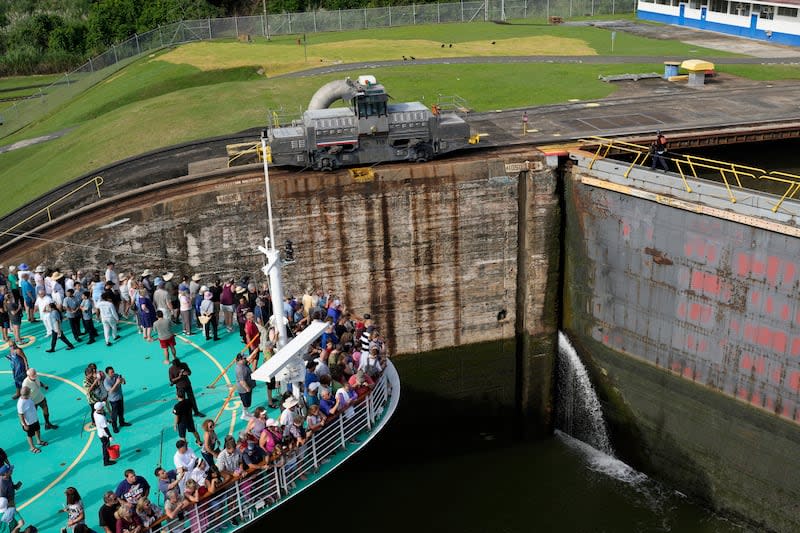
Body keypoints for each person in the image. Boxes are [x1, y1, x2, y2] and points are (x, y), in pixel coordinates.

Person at [17, 387, 46, 453]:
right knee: (30, 435)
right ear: (26, 394)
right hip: (28, 423)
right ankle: (32, 447)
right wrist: (25, 425)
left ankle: (39, 441)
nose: (30, 393)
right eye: (29, 392)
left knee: (37, 430)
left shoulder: (29, 397)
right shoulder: (21, 403)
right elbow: (20, 415)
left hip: (34, 419)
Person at [104, 367, 131, 433]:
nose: (113, 373)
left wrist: (123, 380)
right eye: (111, 372)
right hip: (113, 400)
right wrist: (117, 383)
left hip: (120, 397)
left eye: (113, 371)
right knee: (114, 414)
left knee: (121, 411)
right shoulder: (106, 381)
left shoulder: (116, 376)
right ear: (107, 374)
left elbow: (124, 383)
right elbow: (110, 391)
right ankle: (114, 427)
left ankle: (122, 422)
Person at [93, 401, 115, 466]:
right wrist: (110, 436)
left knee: (105, 447)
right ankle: (106, 461)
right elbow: (105, 428)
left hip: (100, 433)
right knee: (106, 448)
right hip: (104, 435)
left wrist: (107, 421)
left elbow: (102, 423)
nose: (104, 408)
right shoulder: (101, 418)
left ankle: (107, 459)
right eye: (103, 407)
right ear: (100, 409)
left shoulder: (95, 413)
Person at [235, 354, 255, 420]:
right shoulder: (240, 369)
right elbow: (242, 381)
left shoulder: (243, 364)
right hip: (243, 389)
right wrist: (247, 388)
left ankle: (247, 412)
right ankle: (244, 415)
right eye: (244, 358)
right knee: (245, 402)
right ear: (240, 360)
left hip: (247, 386)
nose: (246, 359)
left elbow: (250, 357)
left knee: (247, 402)